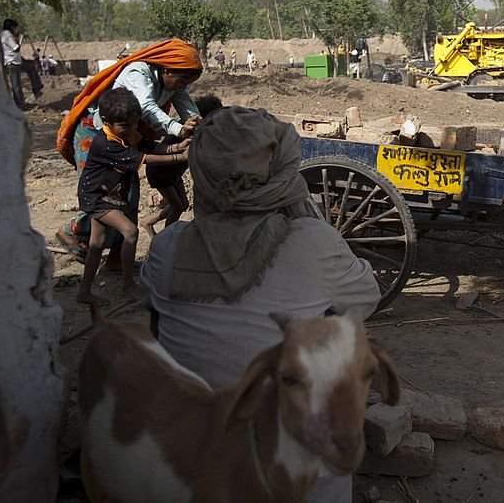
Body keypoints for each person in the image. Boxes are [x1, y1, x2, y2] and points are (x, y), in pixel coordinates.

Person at [140, 106, 380, 503]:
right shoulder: (313, 242)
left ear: (201, 170)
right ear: (283, 168)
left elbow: (153, 320)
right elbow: (366, 299)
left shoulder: (168, 247)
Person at [55, 38, 204, 263]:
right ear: (166, 70)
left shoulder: (175, 84)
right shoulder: (138, 73)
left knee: (129, 193)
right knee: (101, 192)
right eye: (181, 80)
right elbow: (146, 107)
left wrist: (199, 125)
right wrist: (179, 131)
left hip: (126, 133)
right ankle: (73, 231)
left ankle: (117, 257)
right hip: (95, 131)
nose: (182, 86)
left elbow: (187, 109)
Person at [77, 88, 192, 306]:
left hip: (107, 193)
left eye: (134, 124)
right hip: (96, 196)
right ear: (106, 122)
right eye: (125, 126)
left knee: (97, 242)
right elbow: (145, 158)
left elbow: (151, 146)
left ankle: (84, 292)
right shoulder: (106, 144)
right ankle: (128, 285)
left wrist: (177, 145)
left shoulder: (127, 132)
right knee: (130, 232)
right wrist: (180, 156)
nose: (131, 130)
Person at [140, 94, 224, 238]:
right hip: (161, 172)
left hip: (172, 173)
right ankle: (167, 239)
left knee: (183, 204)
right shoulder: (189, 130)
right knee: (177, 206)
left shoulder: (196, 127)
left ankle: (148, 221)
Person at [0, 18, 27, 109]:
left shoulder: (4, 34)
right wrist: (18, 37)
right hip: (12, 61)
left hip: (14, 61)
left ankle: (37, 87)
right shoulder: (8, 35)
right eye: (15, 28)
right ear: (12, 27)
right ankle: (20, 105)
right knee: (16, 85)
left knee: (30, 67)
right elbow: (16, 48)